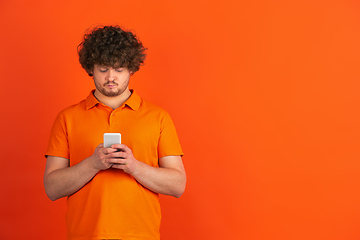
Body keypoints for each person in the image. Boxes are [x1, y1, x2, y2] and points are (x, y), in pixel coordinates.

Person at [44, 25, 186, 240]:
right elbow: (52, 188)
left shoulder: (158, 117)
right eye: (103, 69)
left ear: (131, 69)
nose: (111, 77)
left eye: (119, 69)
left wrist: (134, 166)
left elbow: (178, 185)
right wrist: (92, 164)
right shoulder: (67, 118)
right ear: (91, 68)